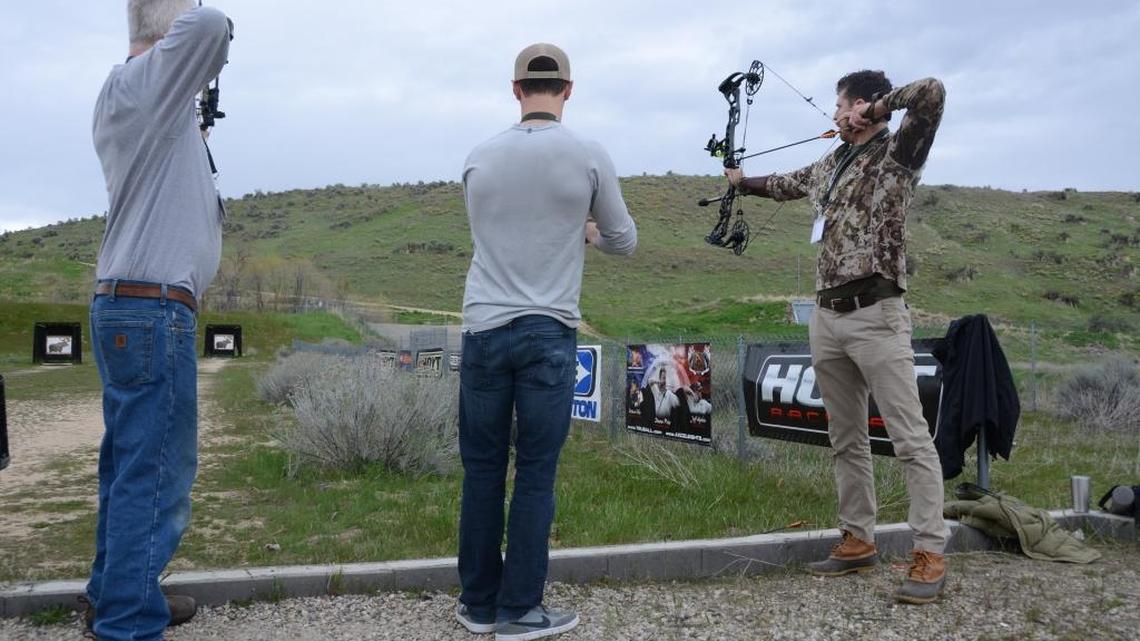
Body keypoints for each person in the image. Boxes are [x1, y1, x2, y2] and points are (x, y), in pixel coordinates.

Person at [726, 70, 950, 604]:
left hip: (876, 312)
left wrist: (876, 111)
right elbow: (784, 185)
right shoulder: (832, 161)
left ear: (863, 106)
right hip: (827, 316)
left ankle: (930, 549)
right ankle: (857, 538)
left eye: (841, 106)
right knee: (845, 436)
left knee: (909, 438)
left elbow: (932, 92)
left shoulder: (899, 154)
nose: (834, 114)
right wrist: (741, 182)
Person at [455, 43, 637, 641]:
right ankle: (521, 610)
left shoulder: (479, 157)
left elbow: (487, 230)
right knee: (535, 472)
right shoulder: (587, 154)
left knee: (482, 471)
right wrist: (583, 232)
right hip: (547, 329)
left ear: (515, 91)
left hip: (483, 326)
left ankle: (477, 603)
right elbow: (623, 239)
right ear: (568, 89)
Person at [85, 2, 232, 639]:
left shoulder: (141, 96)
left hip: (136, 306)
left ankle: (117, 594)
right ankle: (126, 622)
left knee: (129, 468)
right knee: (158, 476)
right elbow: (211, 25)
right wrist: (189, 18)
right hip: (152, 310)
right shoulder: (145, 84)